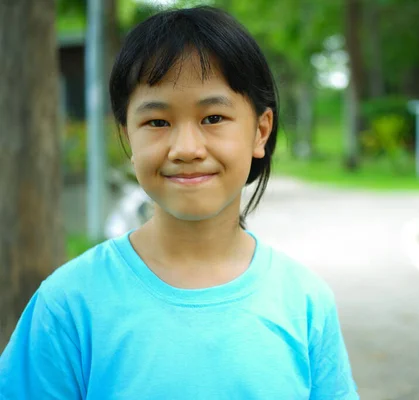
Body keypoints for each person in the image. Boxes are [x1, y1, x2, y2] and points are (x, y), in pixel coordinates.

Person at [0, 6, 359, 400]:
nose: (186, 149)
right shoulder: (68, 305)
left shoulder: (304, 304)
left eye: (213, 117)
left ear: (260, 131)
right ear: (128, 138)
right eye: (157, 122)